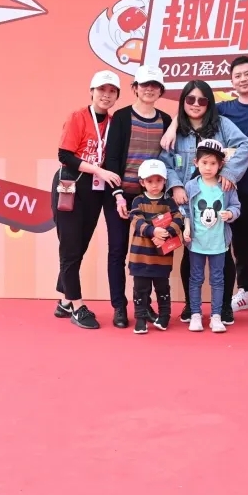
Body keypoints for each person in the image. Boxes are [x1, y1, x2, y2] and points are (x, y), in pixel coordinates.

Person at [161, 57, 248, 323]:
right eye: (190, 99)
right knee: (190, 253)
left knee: (222, 252)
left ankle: (224, 305)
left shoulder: (222, 123)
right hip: (189, 201)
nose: (196, 104)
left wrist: (228, 173)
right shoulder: (176, 132)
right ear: (183, 102)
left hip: (219, 201)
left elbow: (245, 146)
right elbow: (166, 162)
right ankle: (191, 306)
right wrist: (176, 185)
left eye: (202, 100)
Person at [51, 70, 123, 330]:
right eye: (101, 89)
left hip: (95, 192)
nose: (106, 95)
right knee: (70, 248)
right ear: (92, 91)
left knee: (79, 246)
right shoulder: (78, 117)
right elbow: (65, 155)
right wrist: (98, 170)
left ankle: (64, 301)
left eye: (112, 91)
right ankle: (77, 305)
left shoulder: (114, 123)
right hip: (70, 186)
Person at [101, 65, 172, 328]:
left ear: (161, 90)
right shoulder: (121, 117)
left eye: (154, 85)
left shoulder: (166, 120)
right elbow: (112, 158)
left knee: (152, 252)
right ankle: (119, 307)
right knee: (118, 250)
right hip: (121, 195)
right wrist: (118, 195)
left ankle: (145, 307)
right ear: (135, 88)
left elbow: (169, 158)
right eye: (144, 85)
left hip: (152, 199)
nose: (149, 89)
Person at [182, 139, 241, 333]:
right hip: (196, 243)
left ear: (221, 165)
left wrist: (230, 214)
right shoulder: (191, 186)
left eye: (213, 163)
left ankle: (216, 315)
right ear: (196, 163)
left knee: (217, 280)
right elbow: (186, 211)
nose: (208, 167)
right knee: (195, 278)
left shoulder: (227, 186)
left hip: (218, 243)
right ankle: (195, 314)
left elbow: (236, 206)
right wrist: (186, 229)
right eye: (204, 162)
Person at [125, 158, 184, 334]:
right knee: (140, 290)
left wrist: (167, 233)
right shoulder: (138, 201)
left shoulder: (169, 202)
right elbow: (136, 219)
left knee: (162, 288)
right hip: (140, 257)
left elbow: (178, 219)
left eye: (159, 180)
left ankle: (164, 317)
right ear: (142, 182)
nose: (154, 185)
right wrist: (153, 231)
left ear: (165, 181)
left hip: (162, 258)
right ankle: (140, 320)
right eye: (150, 181)